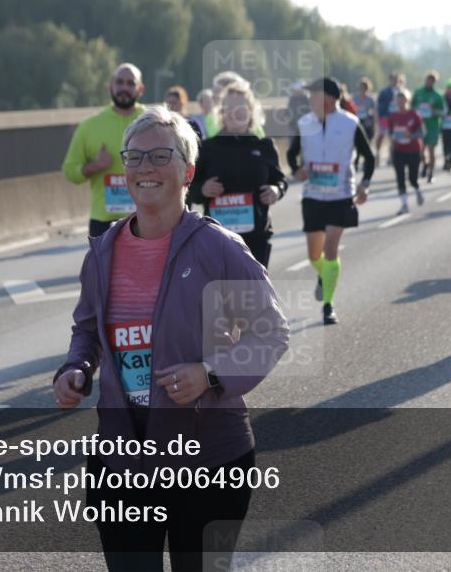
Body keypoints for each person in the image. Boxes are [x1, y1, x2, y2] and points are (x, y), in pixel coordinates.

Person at [53, 106, 288, 572]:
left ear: (188, 172)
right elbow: (86, 331)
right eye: (135, 157)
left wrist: (210, 375)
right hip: (122, 459)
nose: (145, 168)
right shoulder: (102, 253)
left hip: (210, 459)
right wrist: (76, 369)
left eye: (161, 155)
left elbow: (271, 332)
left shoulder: (218, 248)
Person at [287, 77, 374, 325]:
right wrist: (296, 171)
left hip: (341, 195)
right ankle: (324, 275)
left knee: (330, 249)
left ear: (329, 98)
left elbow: (369, 157)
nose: (310, 99)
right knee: (315, 256)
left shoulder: (350, 123)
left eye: (314, 94)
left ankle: (328, 305)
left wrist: (364, 185)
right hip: (313, 196)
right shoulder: (304, 124)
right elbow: (292, 154)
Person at [189, 82, 287, 267]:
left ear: (251, 111)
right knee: (223, 294)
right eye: (229, 108)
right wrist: (202, 189)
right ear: (222, 113)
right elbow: (189, 188)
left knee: (252, 294)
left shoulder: (264, 146)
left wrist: (276, 190)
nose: (234, 113)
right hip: (218, 239)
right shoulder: (208, 148)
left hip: (257, 238)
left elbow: (280, 180)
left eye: (240, 107)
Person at [63, 63, 146, 237]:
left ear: (140, 89)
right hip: (103, 221)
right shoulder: (89, 126)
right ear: (111, 86)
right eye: (120, 82)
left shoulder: (154, 122)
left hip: (146, 218)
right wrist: (95, 166)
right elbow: (70, 171)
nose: (124, 87)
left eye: (131, 83)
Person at [383, 90, 425, 214]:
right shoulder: (393, 117)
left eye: (403, 99)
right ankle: (404, 204)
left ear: (408, 100)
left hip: (413, 150)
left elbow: (421, 133)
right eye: (398, 100)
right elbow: (390, 134)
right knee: (400, 178)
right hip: (398, 151)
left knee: (412, 179)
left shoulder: (414, 115)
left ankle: (417, 190)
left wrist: (410, 135)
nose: (401, 102)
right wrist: (390, 152)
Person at [411, 71, 446, 183]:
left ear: (434, 82)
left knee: (431, 150)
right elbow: (411, 107)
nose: (429, 82)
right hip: (420, 126)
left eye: (432, 81)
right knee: (420, 151)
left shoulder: (438, 95)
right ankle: (425, 164)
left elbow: (443, 111)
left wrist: (434, 111)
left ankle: (431, 174)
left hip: (432, 126)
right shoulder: (418, 92)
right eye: (427, 80)